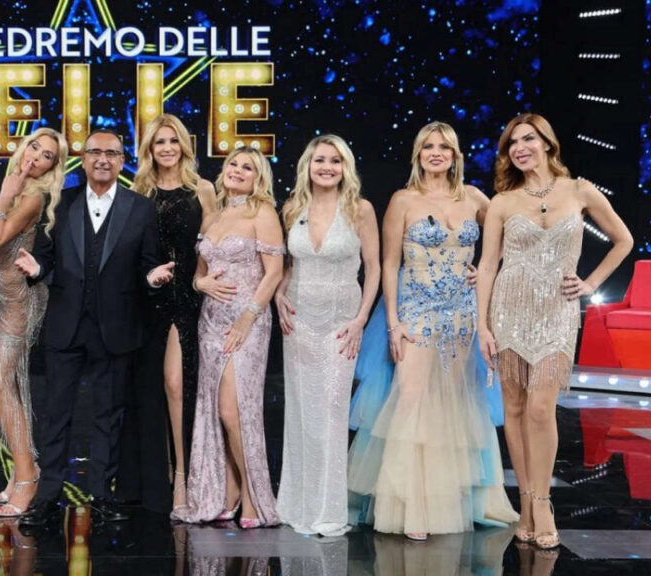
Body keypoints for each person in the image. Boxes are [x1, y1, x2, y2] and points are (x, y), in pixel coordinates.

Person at [347, 121, 518, 540]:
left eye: (444, 146)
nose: (436, 153)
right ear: (418, 154)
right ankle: (409, 509)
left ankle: (449, 502)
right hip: (416, 312)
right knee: (411, 399)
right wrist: (393, 324)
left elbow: (511, 235)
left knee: (453, 404)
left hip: (462, 317)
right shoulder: (403, 200)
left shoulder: (474, 198)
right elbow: (389, 264)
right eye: (428, 146)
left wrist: (487, 271)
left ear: (455, 155)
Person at [476, 113, 632, 549]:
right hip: (509, 310)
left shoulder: (579, 191)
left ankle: (542, 502)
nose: (520, 148)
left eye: (528, 139)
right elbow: (487, 266)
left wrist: (590, 284)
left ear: (547, 143)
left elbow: (623, 240)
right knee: (515, 408)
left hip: (557, 312)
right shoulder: (503, 201)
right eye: (512, 143)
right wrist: (482, 324)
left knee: (542, 408)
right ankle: (526, 502)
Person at [14, 128, 175, 526]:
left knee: (107, 415)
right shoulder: (59, 201)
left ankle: (101, 495)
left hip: (116, 327)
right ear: (82, 160)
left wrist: (152, 277)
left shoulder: (141, 208)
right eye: (94, 152)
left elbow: (147, 262)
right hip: (66, 325)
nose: (103, 159)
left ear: (122, 161)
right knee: (56, 414)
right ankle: (48, 497)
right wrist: (37, 269)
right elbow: (46, 257)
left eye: (111, 153)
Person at [274, 134, 379, 536]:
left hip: (341, 323)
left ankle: (329, 509)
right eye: (320, 160)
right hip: (298, 321)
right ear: (308, 165)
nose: (327, 167)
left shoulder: (359, 209)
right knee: (302, 412)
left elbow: (374, 267)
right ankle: (298, 504)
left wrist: (361, 319)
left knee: (332, 413)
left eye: (335, 161)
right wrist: (279, 294)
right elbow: (288, 264)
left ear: (345, 168)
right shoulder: (292, 208)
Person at [176, 147, 285, 529]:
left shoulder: (263, 213)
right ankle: (229, 491)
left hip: (247, 323)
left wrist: (246, 319)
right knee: (216, 412)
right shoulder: (215, 214)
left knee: (232, 410)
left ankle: (254, 496)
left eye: (248, 168)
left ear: (259, 178)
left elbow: (274, 273)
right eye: (234, 164)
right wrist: (199, 283)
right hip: (210, 322)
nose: (238, 171)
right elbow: (199, 272)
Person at [120, 114, 216, 514]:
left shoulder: (203, 189)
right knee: (148, 391)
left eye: (173, 141)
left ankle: (184, 476)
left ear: (184, 147)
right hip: (147, 300)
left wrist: (201, 281)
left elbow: (212, 246)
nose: (167, 148)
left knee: (177, 386)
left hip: (187, 298)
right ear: (149, 149)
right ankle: (154, 479)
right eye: (159, 142)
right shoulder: (138, 191)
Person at [0, 127, 67, 516]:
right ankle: (22, 470)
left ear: (53, 166)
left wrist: (5, 195)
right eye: (34, 146)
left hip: (17, 303)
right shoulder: (17, 187)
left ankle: (29, 476)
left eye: (47, 155)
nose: (36, 156)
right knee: (7, 390)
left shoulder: (31, 197)